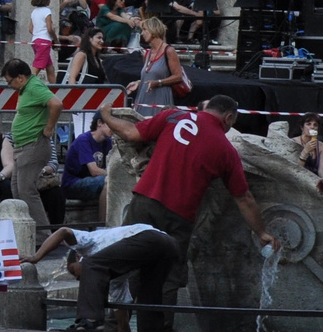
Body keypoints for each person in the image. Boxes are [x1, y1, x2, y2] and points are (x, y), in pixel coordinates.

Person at [98, 95, 274, 294]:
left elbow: (130, 133)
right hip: (178, 218)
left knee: (124, 263)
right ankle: (160, 324)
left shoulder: (173, 117)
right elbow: (244, 198)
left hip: (145, 202)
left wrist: (107, 116)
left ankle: (114, 322)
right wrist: (261, 232)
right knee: (168, 277)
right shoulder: (226, 150)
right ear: (229, 118)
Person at [27, 223, 181, 332]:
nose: (77, 278)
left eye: (73, 270)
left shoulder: (88, 244)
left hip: (149, 236)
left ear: (78, 257)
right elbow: (123, 322)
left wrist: (36, 256)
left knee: (92, 265)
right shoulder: (115, 279)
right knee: (149, 292)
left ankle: (89, 322)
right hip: (168, 245)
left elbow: (63, 231)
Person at [4, 59, 61, 240]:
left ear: (20, 78)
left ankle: (43, 236)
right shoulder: (27, 88)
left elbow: (56, 104)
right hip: (23, 147)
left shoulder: (34, 87)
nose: (9, 86)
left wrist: (49, 128)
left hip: (33, 145)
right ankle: (26, 232)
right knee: (17, 190)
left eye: (10, 81)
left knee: (27, 191)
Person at [127, 16, 183, 115]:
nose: (142, 33)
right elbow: (150, 76)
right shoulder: (147, 53)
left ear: (153, 30)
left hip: (160, 99)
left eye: (144, 30)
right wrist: (138, 83)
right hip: (143, 98)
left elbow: (178, 76)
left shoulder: (169, 51)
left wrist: (158, 82)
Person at [63, 114, 113, 215]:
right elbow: (94, 171)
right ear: (99, 123)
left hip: (92, 182)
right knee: (108, 182)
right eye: (110, 123)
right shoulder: (83, 140)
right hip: (72, 184)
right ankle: (102, 225)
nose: (114, 127)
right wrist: (113, 174)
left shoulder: (108, 142)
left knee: (112, 182)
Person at [29, 0, 57, 83]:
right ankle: (26, 85)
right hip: (44, 42)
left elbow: (30, 29)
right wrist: (56, 39)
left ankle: (55, 86)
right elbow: (50, 29)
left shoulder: (34, 12)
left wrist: (38, 33)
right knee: (37, 67)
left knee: (50, 68)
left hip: (35, 41)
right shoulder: (47, 11)